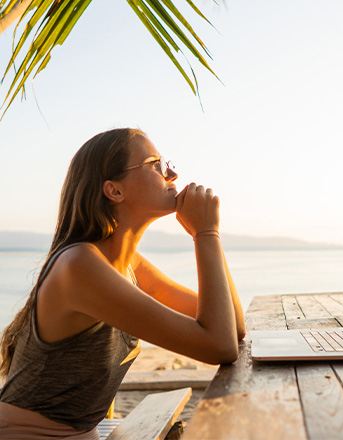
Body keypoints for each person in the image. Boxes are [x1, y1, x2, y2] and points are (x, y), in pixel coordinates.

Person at [0, 128, 246, 439]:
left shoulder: (128, 265)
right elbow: (219, 346)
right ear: (114, 191)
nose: (171, 173)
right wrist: (205, 233)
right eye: (154, 164)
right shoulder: (79, 266)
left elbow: (233, 329)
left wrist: (209, 234)